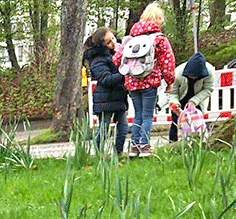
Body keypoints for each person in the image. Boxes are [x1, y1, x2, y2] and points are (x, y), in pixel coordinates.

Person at [117, 2, 175, 157]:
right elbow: (168, 62)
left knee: (138, 114)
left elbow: (117, 59)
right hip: (150, 81)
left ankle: (134, 146)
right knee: (148, 115)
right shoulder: (159, 39)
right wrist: (169, 82)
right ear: (158, 19)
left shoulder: (131, 38)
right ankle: (144, 146)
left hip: (132, 82)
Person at [84, 27, 129, 156]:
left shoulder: (116, 54)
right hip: (105, 98)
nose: (113, 43)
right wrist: (124, 74)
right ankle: (98, 153)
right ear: (101, 45)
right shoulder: (97, 59)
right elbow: (106, 79)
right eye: (109, 42)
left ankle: (118, 152)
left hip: (118, 96)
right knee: (104, 128)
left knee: (123, 127)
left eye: (113, 38)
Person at [166, 51, 215, 142]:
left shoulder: (210, 71)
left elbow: (208, 89)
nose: (193, 78)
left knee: (197, 123)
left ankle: (199, 144)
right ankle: (173, 145)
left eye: (196, 77)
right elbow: (172, 93)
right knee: (176, 123)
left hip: (198, 100)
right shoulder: (177, 73)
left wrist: (194, 101)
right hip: (180, 98)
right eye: (191, 76)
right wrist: (175, 103)